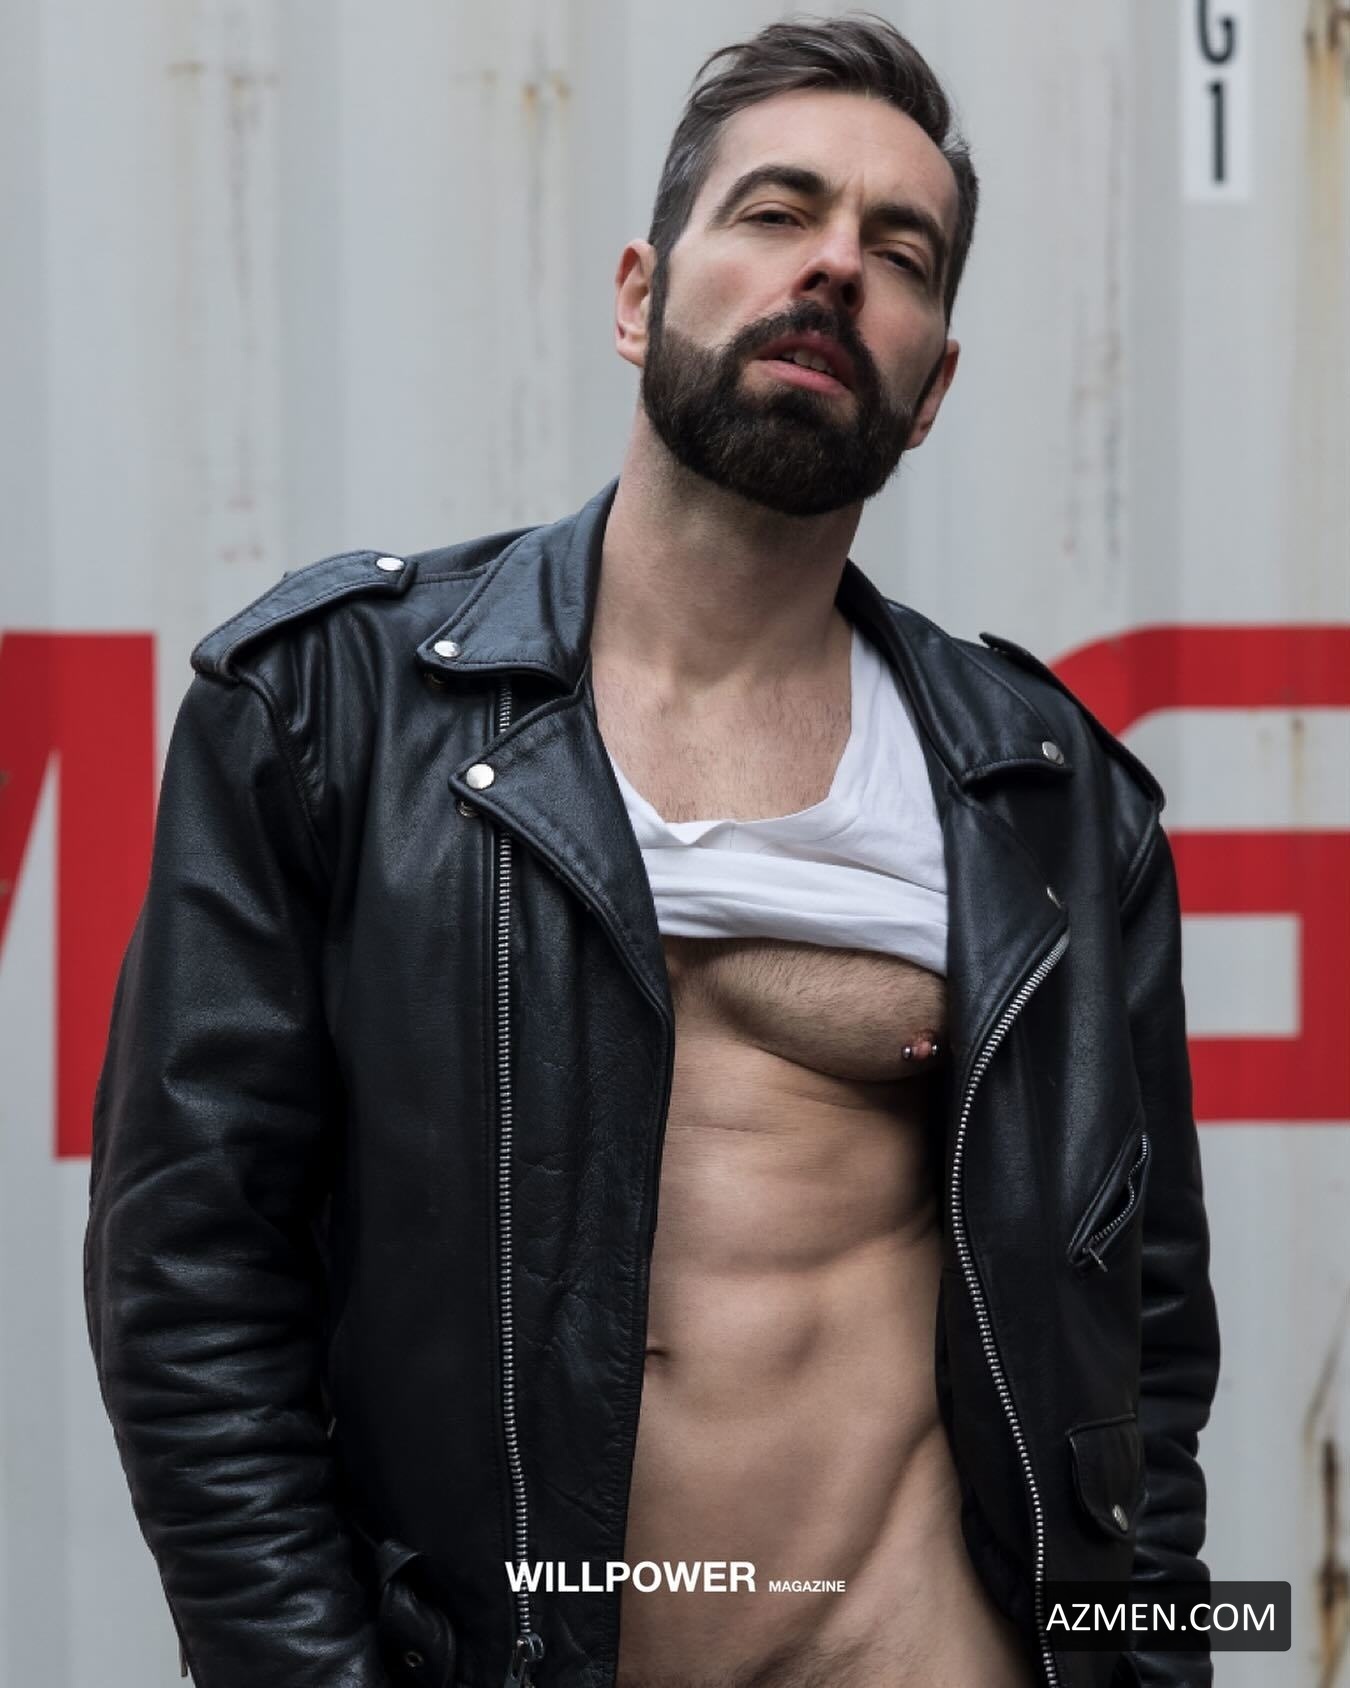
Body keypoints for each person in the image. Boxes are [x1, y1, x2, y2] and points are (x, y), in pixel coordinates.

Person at [84, 13, 1220, 1688]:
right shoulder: (330, 711)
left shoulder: (1044, 802)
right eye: (775, 211)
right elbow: (190, 1284)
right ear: (638, 296)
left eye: (899, 253)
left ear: (929, 392)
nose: (834, 266)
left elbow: (1144, 1350)